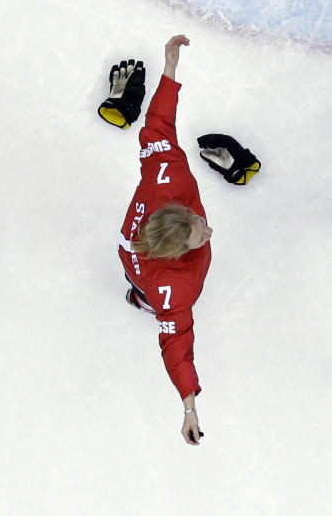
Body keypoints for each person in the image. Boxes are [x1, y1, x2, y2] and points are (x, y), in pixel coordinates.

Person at [118, 34, 212, 445]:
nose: (207, 230)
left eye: (196, 221)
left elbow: (157, 125)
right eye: (198, 239)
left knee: (149, 287)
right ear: (178, 254)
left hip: (133, 245)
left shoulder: (168, 174)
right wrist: (189, 407)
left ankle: (139, 292)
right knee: (153, 299)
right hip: (140, 268)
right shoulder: (173, 286)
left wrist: (170, 68)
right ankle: (139, 297)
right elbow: (176, 341)